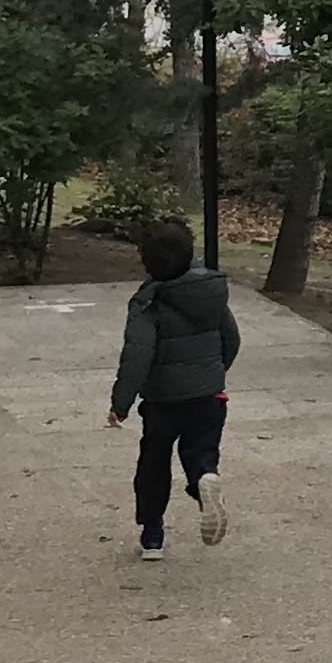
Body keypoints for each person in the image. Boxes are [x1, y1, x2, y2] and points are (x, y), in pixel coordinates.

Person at [104, 220, 237, 556]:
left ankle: (152, 535)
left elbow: (137, 356)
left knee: (154, 460)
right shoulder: (210, 293)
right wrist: (213, 372)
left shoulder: (149, 302)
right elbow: (231, 339)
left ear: (146, 261)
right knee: (200, 449)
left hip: (163, 401)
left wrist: (121, 403)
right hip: (209, 396)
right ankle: (203, 478)